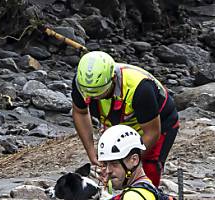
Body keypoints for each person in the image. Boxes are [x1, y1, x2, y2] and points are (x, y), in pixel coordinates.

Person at [72, 50, 179, 187]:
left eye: (99, 94)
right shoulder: (81, 84)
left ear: (113, 79)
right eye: (89, 95)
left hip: (159, 123)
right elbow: (80, 113)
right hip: (120, 120)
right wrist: (92, 153)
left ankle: (149, 197)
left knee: (147, 166)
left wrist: (128, 161)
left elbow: (152, 133)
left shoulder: (141, 88)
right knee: (110, 166)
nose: (93, 98)